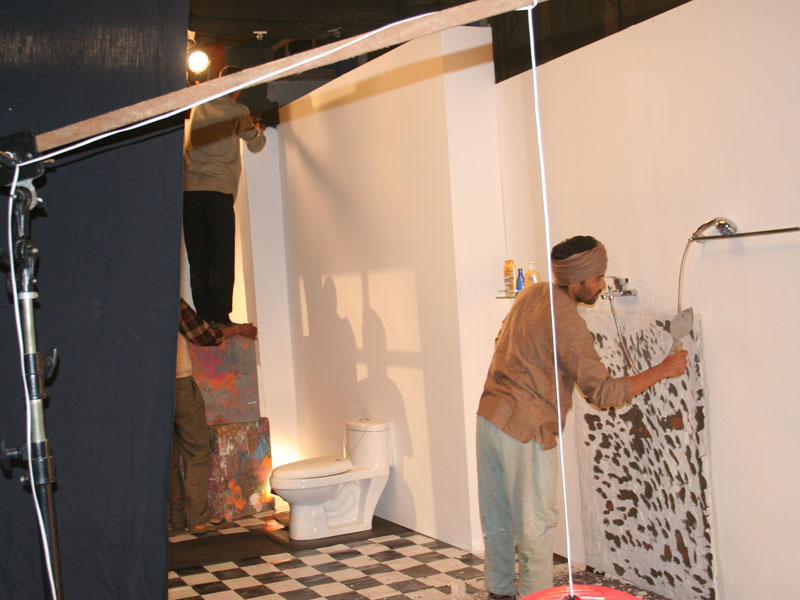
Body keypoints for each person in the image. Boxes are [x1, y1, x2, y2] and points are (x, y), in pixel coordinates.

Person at [476, 235, 688, 599]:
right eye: (598, 278)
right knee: (536, 526)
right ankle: (535, 597)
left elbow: (501, 341)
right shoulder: (569, 321)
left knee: (497, 514)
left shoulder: (532, 293)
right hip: (526, 431)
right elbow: (604, 393)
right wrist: (664, 369)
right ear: (577, 282)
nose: (602, 285)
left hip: (489, 418)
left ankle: (498, 588)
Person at [183, 65, 266, 326]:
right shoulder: (238, 111)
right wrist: (259, 128)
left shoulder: (199, 104)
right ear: (238, 88)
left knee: (198, 258)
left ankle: (204, 315)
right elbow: (256, 144)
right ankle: (220, 315)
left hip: (189, 191)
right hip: (218, 190)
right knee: (221, 256)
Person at [170, 297, 258, 534]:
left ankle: (176, 517)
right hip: (179, 382)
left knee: (169, 455)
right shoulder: (169, 299)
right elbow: (204, 335)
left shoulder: (130, 300)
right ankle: (197, 519)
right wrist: (238, 330)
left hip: (147, 389)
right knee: (196, 451)